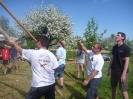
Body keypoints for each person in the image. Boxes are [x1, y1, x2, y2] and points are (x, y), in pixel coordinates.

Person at [106, 32, 131, 99]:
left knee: (123, 90)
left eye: (118, 35)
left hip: (122, 71)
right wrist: (108, 70)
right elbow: (112, 59)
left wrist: (123, 74)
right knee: (113, 86)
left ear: (122, 38)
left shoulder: (127, 48)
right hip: (114, 70)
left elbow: (127, 61)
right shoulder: (114, 47)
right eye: (116, 35)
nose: (116, 36)